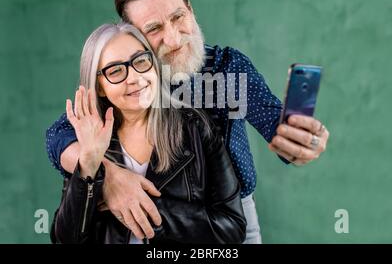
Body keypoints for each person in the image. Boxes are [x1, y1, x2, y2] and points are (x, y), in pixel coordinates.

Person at [46, 0, 330, 243]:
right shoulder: (133, 81)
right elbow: (58, 137)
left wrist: (303, 141)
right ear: (134, 37)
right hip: (149, 209)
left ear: (191, 11)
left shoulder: (228, 68)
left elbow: (277, 129)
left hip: (228, 219)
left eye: (178, 17)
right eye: (154, 28)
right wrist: (110, 177)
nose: (173, 38)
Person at [50, 23, 246, 244]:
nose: (133, 77)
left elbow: (233, 229)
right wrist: (89, 162)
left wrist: (151, 209)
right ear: (100, 87)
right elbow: (64, 239)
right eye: (115, 70)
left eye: (141, 61)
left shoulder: (196, 128)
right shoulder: (88, 139)